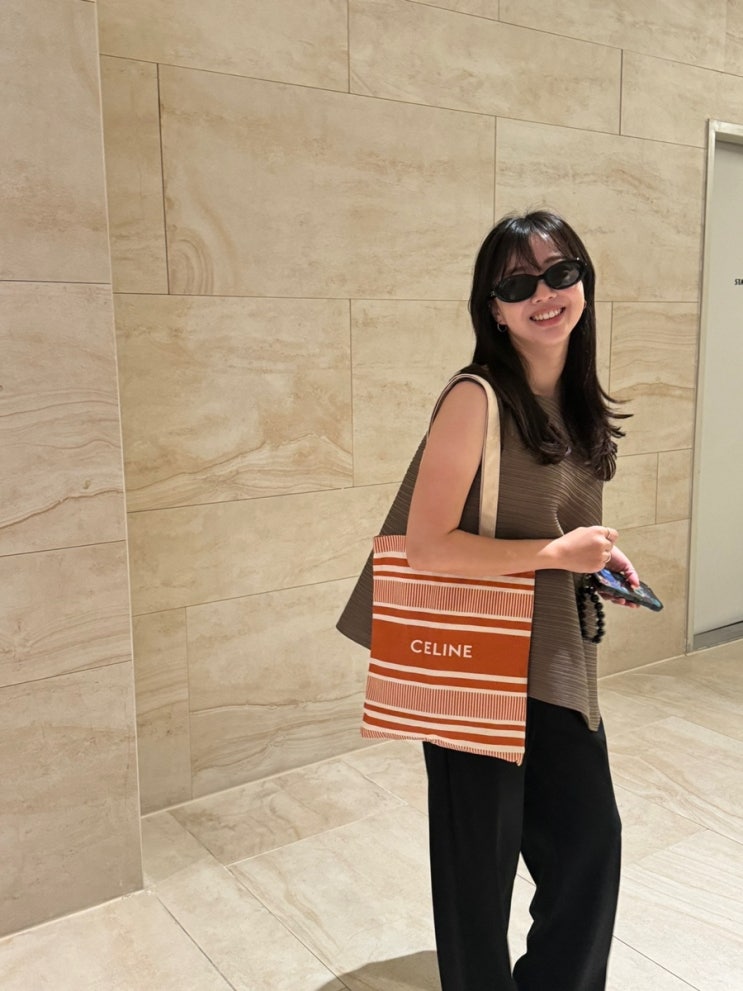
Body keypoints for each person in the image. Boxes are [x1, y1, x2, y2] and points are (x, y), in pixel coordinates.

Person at [405, 210, 638, 991]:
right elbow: (427, 544)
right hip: (475, 662)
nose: (544, 293)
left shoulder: (575, 399)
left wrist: (593, 557)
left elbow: (547, 520)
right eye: (517, 283)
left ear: (584, 284)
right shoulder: (474, 398)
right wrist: (553, 556)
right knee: (477, 878)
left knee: (589, 849)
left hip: (555, 661)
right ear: (493, 309)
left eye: (560, 272)